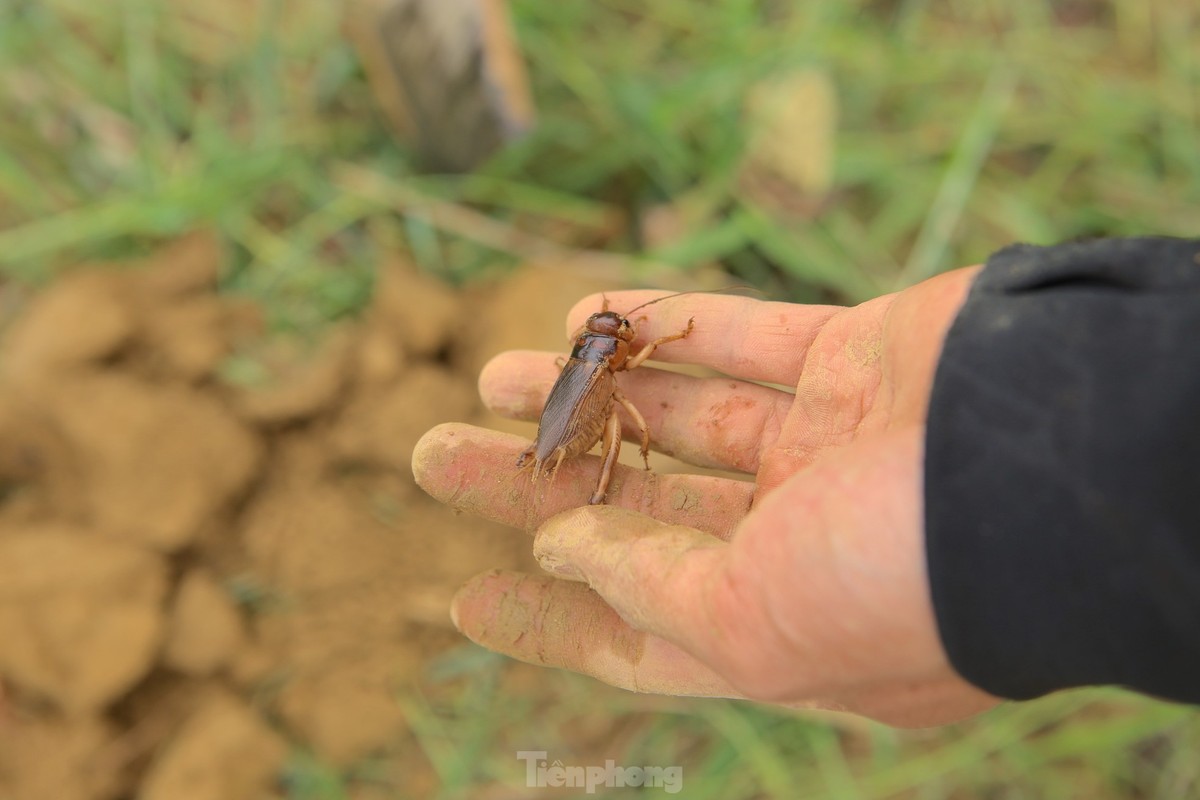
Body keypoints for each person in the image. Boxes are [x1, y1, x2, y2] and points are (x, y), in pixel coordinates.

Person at [411, 237, 1200, 727]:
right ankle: (575, 474)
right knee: (627, 439)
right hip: (587, 411)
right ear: (607, 344)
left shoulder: (597, 358)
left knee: (620, 436)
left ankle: (561, 467)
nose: (621, 333)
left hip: (577, 404)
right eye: (616, 330)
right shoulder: (616, 366)